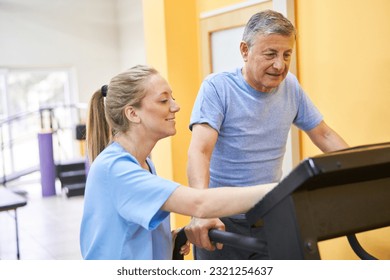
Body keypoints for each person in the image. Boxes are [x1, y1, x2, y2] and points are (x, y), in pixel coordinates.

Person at [186, 9, 349, 260]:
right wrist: (201, 210)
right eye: (270, 54)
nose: (280, 65)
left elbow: (324, 135)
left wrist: (359, 175)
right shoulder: (217, 87)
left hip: (269, 215)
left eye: (287, 55)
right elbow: (200, 150)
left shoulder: (290, 86)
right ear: (244, 51)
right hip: (222, 222)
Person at [79, 65, 277, 260]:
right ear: (132, 113)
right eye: (164, 100)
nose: (176, 106)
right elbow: (200, 203)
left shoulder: (144, 163)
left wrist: (172, 240)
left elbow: (132, 235)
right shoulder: (116, 169)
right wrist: (282, 190)